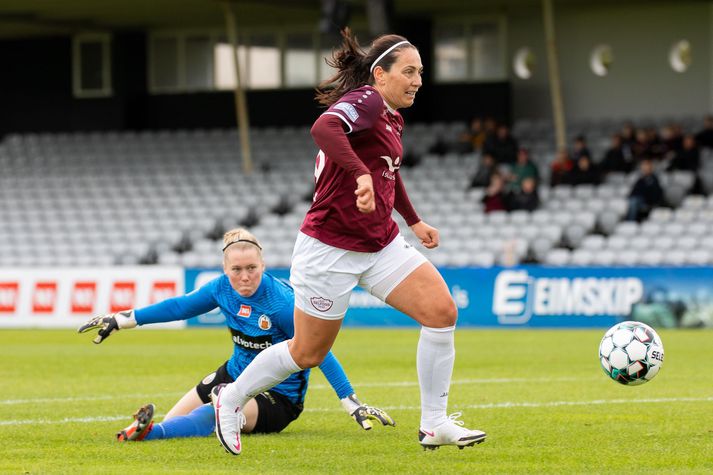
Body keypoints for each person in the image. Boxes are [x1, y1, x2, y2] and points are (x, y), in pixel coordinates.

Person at [213, 29, 486, 456]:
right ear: (380, 74)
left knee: (440, 311)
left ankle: (434, 423)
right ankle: (229, 400)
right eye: (409, 72)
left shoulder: (391, 114)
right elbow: (323, 127)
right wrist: (359, 173)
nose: (418, 80)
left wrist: (413, 221)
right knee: (307, 351)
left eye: (421, 72)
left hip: (380, 243)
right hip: (330, 249)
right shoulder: (368, 100)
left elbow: (389, 173)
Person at [78, 228, 394, 443]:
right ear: (225, 269)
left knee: (211, 414)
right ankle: (149, 430)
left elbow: (319, 350)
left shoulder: (282, 303)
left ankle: (152, 432)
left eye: (252, 268)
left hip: (277, 397)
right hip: (232, 371)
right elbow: (179, 307)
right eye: (237, 269)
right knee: (176, 420)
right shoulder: (220, 288)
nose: (244, 277)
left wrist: (349, 400)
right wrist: (124, 319)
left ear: (263, 264)